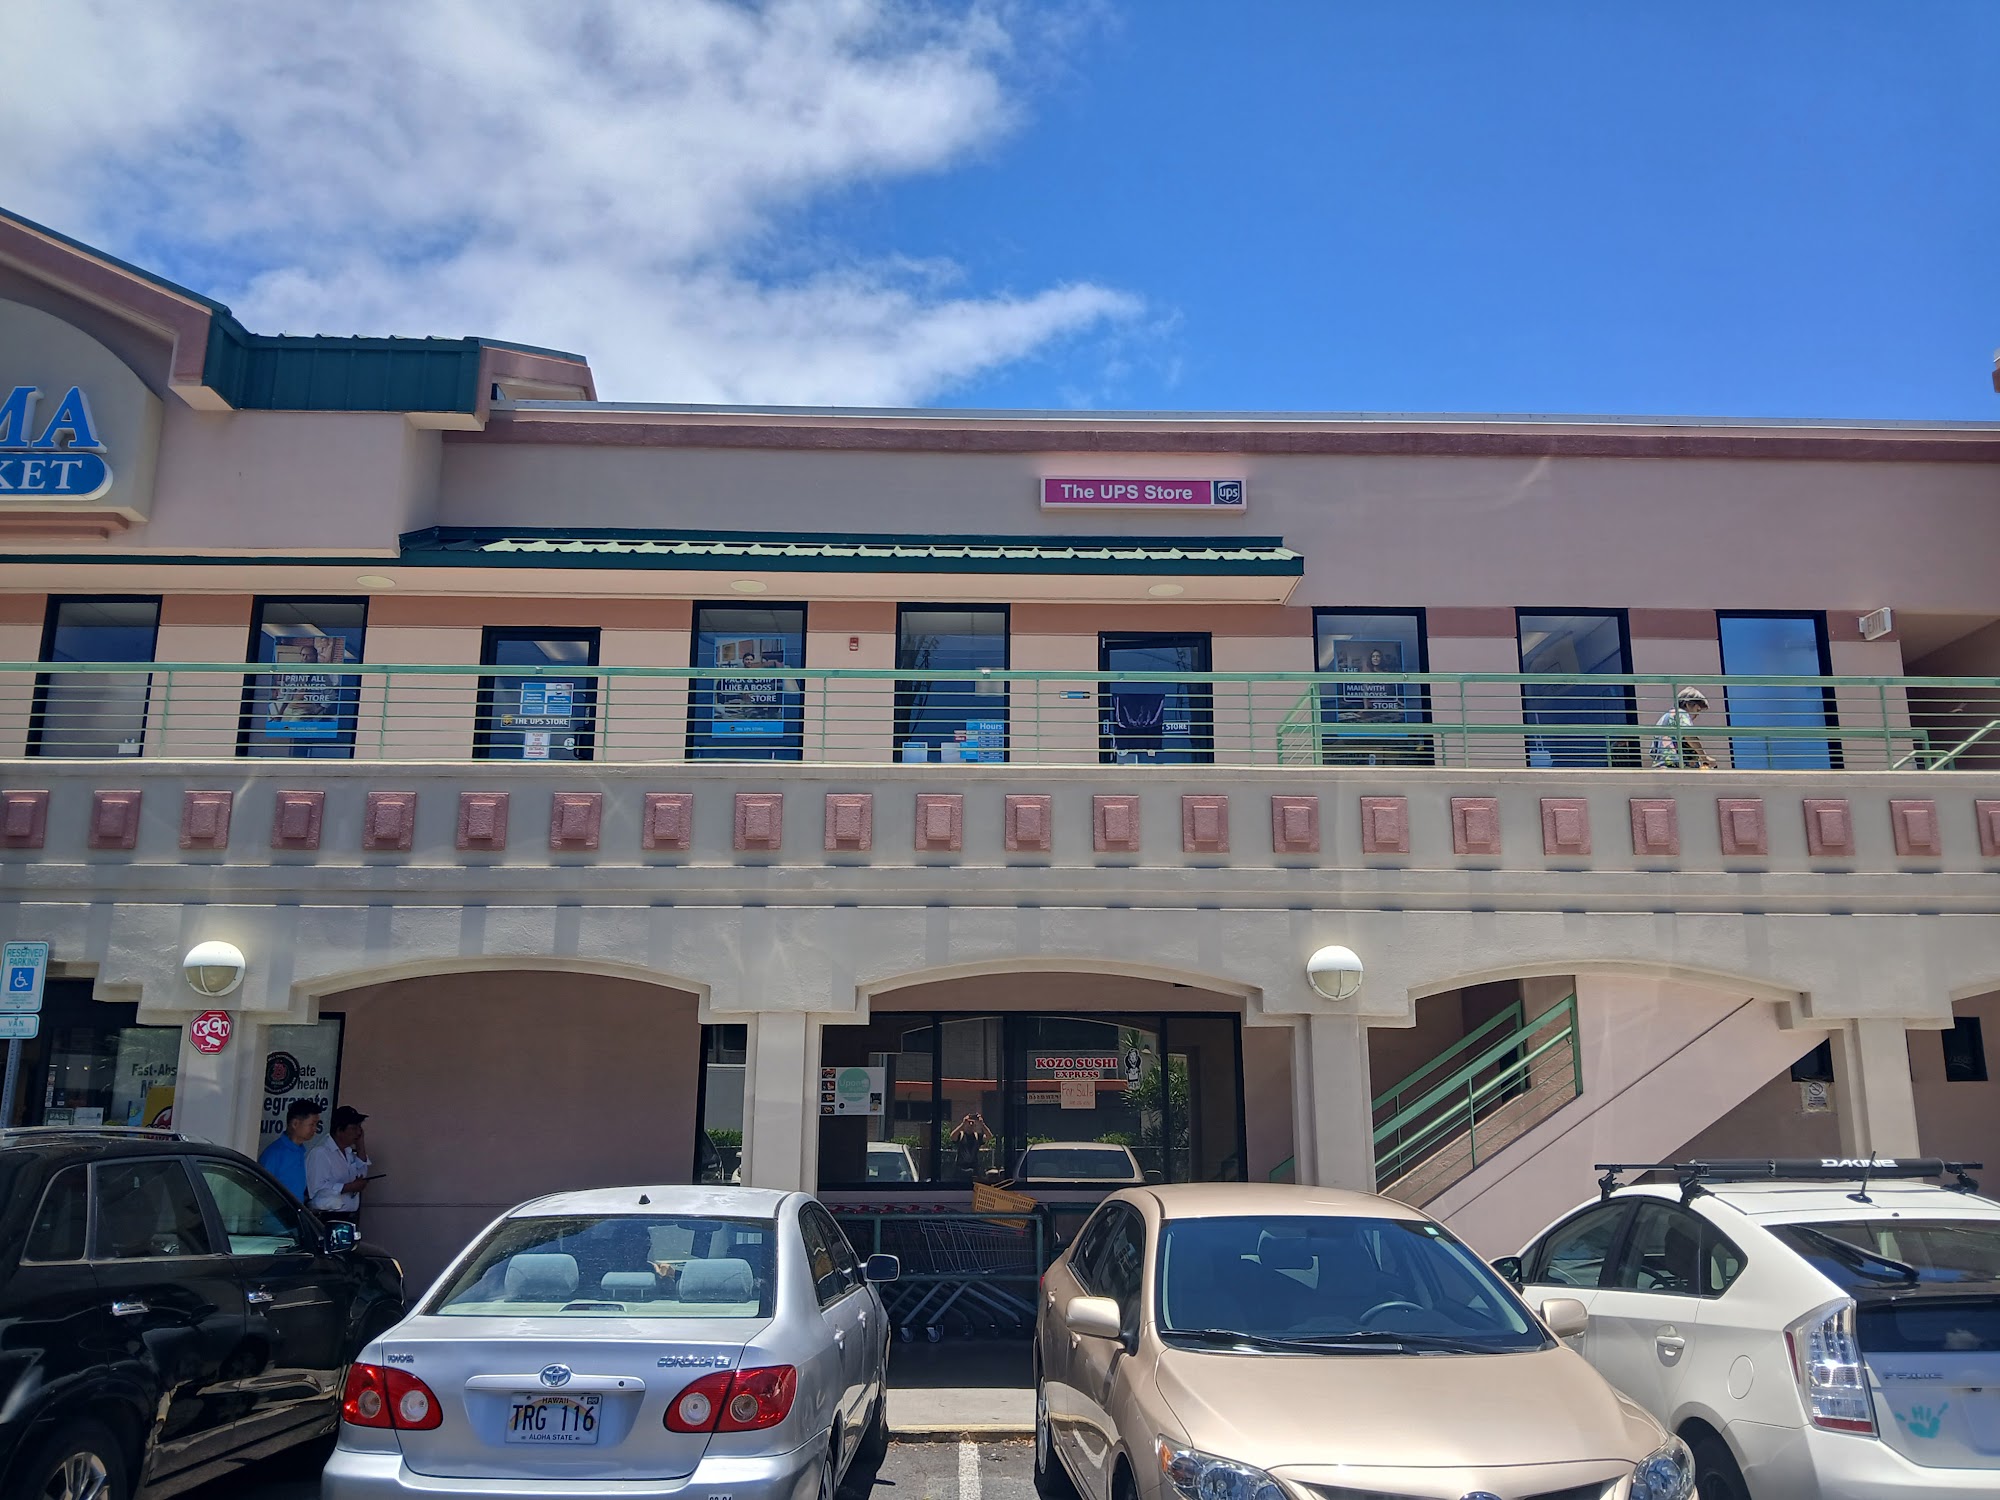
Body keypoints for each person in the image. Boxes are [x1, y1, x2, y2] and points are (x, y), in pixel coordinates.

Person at [307, 1105, 372, 1224]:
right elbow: (316, 1189)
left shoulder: (348, 1152)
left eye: (359, 1127)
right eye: (354, 1128)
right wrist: (348, 1187)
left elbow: (362, 1173)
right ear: (339, 1131)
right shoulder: (321, 1153)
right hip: (327, 1217)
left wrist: (360, 1145)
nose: (358, 1132)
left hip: (348, 1217)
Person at [259, 1099, 322, 1203]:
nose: (315, 1129)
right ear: (295, 1124)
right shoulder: (274, 1153)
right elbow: (261, 1190)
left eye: (316, 1125)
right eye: (312, 1124)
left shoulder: (300, 1151)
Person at [1652, 686, 1719, 769]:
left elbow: (1653, 750)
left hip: (1661, 767)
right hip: (1678, 767)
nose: (1697, 715)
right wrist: (1704, 757)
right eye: (1697, 710)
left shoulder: (1663, 719)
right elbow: (1689, 734)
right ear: (1688, 705)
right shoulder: (1681, 714)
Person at [949, 1111, 992, 1178]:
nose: (971, 1124)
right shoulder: (961, 1135)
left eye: (973, 1123)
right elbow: (952, 1136)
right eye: (969, 1122)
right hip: (960, 1169)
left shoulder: (977, 1136)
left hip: (973, 1170)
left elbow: (989, 1136)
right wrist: (963, 1124)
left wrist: (982, 1124)